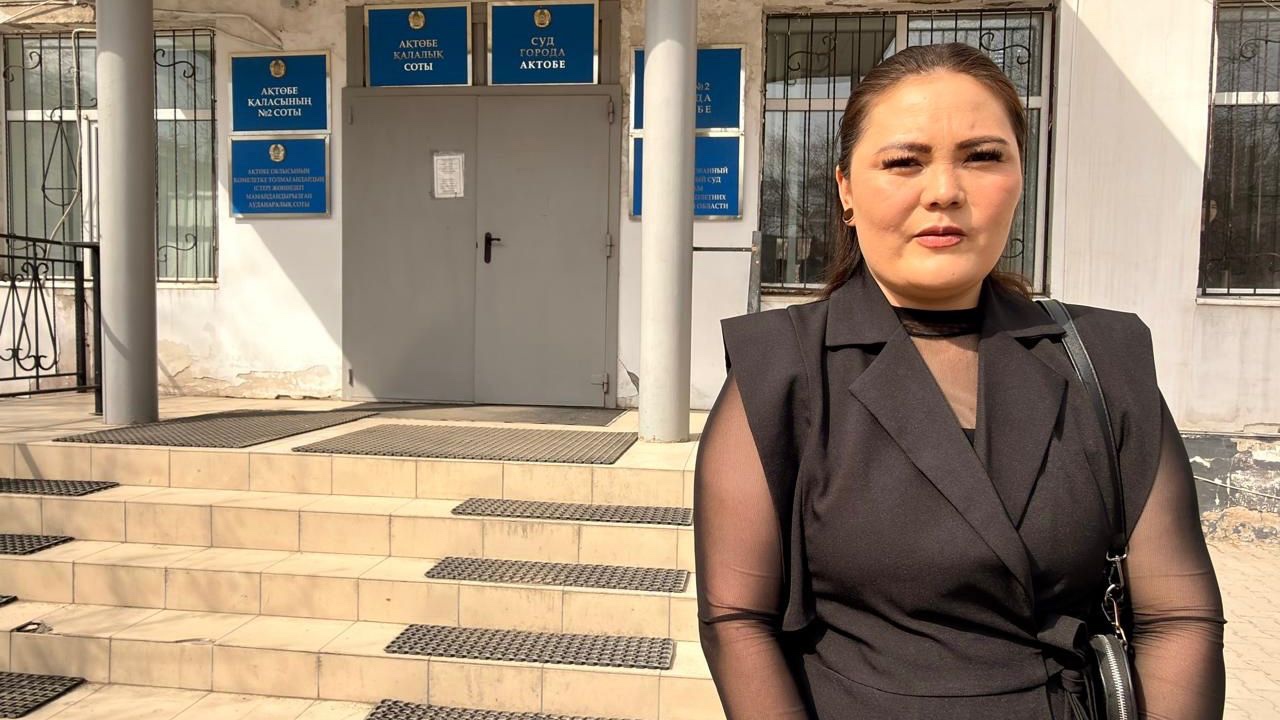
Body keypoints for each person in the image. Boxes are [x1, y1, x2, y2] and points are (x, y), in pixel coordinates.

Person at [695, 43, 1226, 719]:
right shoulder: (781, 369)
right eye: (904, 162)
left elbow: (1179, 617)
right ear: (847, 190)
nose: (944, 191)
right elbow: (737, 619)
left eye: (982, 156)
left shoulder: (1103, 357)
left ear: (1020, 176)